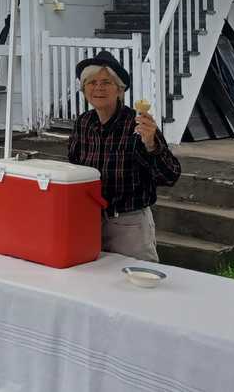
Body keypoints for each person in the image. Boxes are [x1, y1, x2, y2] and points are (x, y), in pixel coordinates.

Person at [67, 50, 181, 262]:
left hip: (129, 224)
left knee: (135, 288)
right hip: (88, 221)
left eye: (106, 82)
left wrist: (151, 145)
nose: (98, 88)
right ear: (84, 90)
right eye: (91, 82)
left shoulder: (138, 125)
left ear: (120, 90)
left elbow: (170, 175)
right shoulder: (83, 123)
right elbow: (74, 170)